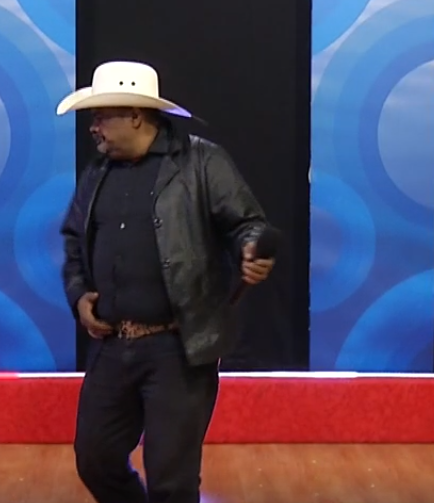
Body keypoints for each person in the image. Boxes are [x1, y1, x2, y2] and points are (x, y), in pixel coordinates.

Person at [56, 60, 275, 503]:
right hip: (113, 346)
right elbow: (74, 240)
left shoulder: (202, 162)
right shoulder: (96, 173)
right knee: (95, 459)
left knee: (171, 482)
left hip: (178, 349)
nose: (93, 128)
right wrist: (79, 296)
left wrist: (250, 249)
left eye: (101, 117)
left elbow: (246, 224)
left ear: (136, 116)